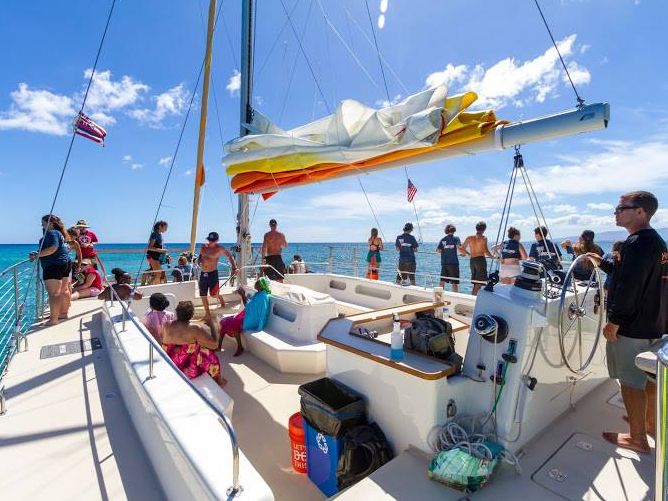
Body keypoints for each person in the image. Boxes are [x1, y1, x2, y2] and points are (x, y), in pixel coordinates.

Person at [587, 191, 667, 454]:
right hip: (655, 326)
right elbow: (633, 275)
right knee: (650, 379)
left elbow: (630, 287)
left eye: (622, 208)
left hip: (632, 328)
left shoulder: (635, 244)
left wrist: (615, 322)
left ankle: (637, 439)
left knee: (631, 384)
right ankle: (648, 424)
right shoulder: (657, 244)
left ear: (641, 211)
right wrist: (602, 262)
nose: (616, 213)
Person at [163, 301, 225, 387]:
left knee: (190, 347)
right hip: (186, 368)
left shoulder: (167, 324)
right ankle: (219, 380)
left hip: (169, 363)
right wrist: (212, 326)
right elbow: (215, 345)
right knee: (212, 356)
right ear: (192, 315)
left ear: (177, 312)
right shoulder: (195, 329)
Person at [28, 214, 72, 325]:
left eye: (43, 222)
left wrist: (36, 255)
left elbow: (53, 248)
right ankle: (63, 313)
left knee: (54, 293)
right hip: (65, 263)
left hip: (53, 265)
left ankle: (53, 320)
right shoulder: (60, 233)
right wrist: (39, 253)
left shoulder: (51, 233)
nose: (41, 225)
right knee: (64, 289)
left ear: (50, 223)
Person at [219, 277, 272, 356]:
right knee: (224, 321)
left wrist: (259, 326)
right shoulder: (258, 294)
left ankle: (240, 347)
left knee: (234, 325)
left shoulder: (263, 297)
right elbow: (249, 306)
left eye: (257, 283)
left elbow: (262, 313)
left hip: (253, 320)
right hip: (248, 316)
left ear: (261, 285)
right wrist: (243, 295)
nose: (255, 284)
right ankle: (219, 346)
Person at [198, 231, 237, 321]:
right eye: (210, 240)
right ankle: (207, 314)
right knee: (203, 295)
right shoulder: (203, 246)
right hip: (203, 273)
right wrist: (199, 260)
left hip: (212, 273)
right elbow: (201, 256)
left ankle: (221, 300)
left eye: (213, 240)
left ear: (216, 240)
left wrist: (234, 268)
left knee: (214, 294)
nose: (211, 242)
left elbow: (230, 256)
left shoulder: (220, 249)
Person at [461, 221, 493, 295]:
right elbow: (486, 251)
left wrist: (469, 254)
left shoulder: (469, 238)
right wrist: (492, 257)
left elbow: (462, 249)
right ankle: (475, 300)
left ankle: (472, 298)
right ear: (484, 229)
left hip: (472, 260)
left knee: (475, 283)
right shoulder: (484, 238)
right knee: (479, 283)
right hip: (480, 260)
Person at [436, 224, 464, 291]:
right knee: (454, 283)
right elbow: (459, 248)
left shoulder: (443, 239)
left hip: (444, 263)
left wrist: (445, 250)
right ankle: (455, 299)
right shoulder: (456, 238)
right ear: (454, 230)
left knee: (442, 281)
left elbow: (438, 250)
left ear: (446, 231)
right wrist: (464, 253)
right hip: (453, 263)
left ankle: (439, 297)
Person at [146, 221, 170, 285]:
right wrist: (161, 250)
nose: (166, 229)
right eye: (165, 227)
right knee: (158, 273)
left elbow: (160, 246)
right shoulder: (154, 234)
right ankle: (149, 285)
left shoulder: (159, 235)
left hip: (156, 257)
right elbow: (150, 247)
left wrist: (166, 254)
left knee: (158, 273)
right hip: (152, 256)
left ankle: (151, 285)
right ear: (160, 226)